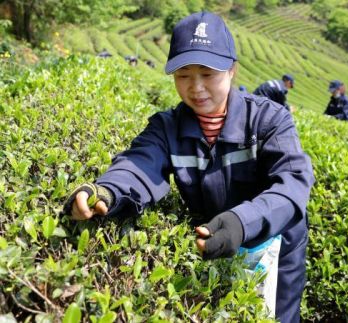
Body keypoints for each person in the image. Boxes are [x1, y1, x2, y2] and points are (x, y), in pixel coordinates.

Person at [62, 11, 314, 323]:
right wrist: (107, 191)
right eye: (183, 75)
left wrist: (242, 221)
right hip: (213, 240)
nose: (196, 87)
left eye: (207, 74)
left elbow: (293, 185)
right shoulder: (167, 128)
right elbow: (138, 164)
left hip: (275, 246)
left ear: (232, 70)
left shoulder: (269, 120)